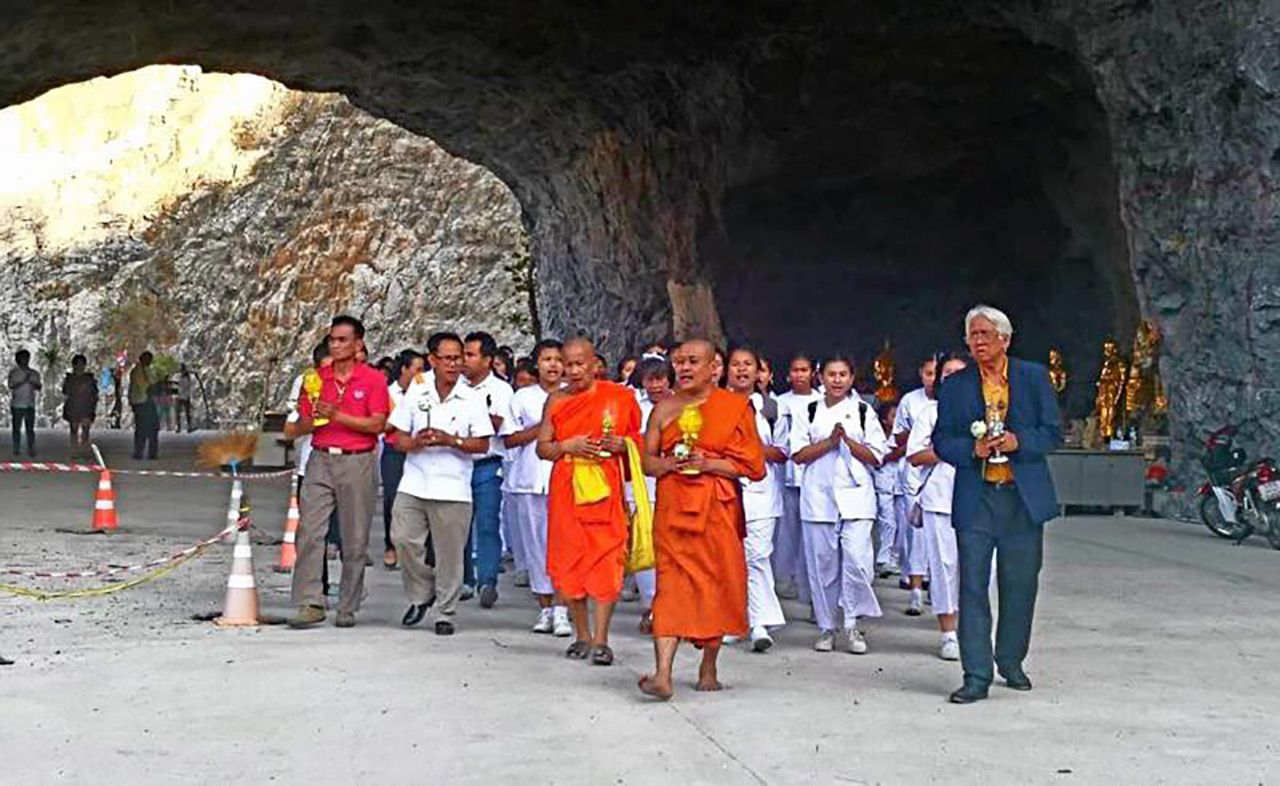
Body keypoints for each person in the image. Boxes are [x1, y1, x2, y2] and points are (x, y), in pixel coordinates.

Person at [934, 304, 1062, 704]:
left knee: (1020, 583)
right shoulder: (956, 386)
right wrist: (972, 448)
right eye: (972, 335)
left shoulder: (1033, 377)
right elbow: (942, 440)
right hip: (979, 497)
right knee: (972, 585)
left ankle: (1010, 660)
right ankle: (976, 674)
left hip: (1022, 499)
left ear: (1005, 339)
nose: (977, 342)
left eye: (984, 335)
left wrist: (1018, 441)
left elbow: (1053, 433)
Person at [638, 340, 765, 699]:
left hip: (715, 509)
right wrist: (666, 464)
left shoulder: (734, 407)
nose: (685, 368)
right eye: (679, 361)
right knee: (670, 587)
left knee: (715, 584)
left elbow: (753, 466)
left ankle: (708, 666)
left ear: (714, 367)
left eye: (693, 361)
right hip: (674, 510)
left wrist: (709, 463)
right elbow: (647, 461)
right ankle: (663, 674)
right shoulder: (663, 409)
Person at [536, 336, 642, 665]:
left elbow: (639, 441)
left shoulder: (619, 397)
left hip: (605, 488)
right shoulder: (555, 401)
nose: (573, 370)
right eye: (568, 364)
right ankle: (581, 634)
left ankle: (601, 639)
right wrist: (568, 446)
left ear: (595, 364)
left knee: (607, 559)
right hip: (568, 488)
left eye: (580, 363)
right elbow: (543, 447)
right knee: (571, 561)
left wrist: (620, 444)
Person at [287, 315, 391, 629]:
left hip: (357, 460)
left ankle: (348, 604)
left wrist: (338, 415)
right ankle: (310, 601)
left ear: (358, 344)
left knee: (354, 536)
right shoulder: (315, 379)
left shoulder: (373, 380)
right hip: (320, 457)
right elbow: (296, 428)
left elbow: (377, 424)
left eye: (343, 340)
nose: (336, 344)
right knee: (309, 531)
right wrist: (312, 419)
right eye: (332, 339)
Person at [388, 332, 494, 635]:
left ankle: (445, 611)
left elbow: (483, 444)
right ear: (432, 360)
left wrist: (453, 440)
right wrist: (414, 443)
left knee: (450, 553)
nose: (453, 364)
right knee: (404, 539)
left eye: (458, 358)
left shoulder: (472, 396)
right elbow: (396, 435)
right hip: (415, 481)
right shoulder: (418, 390)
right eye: (447, 358)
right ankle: (422, 593)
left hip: (453, 486)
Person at [791, 355, 888, 654]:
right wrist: (829, 443)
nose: (837, 380)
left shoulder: (862, 411)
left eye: (843, 374)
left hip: (857, 498)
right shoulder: (807, 410)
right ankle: (826, 626)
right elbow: (797, 454)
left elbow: (877, 456)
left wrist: (847, 442)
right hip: (818, 498)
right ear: (820, 377)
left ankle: (852, 623)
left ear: (851, 377)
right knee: (823, 565)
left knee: (857, 562)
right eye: (831, 374)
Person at [504, 339, 573, 636]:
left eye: (559, 359)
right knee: (535, 548)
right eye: (547, 359)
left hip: (567, 479)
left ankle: (562, 610)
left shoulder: (576, 396)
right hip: (529, 480)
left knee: (565, 547)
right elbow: (509, 438)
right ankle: (545, 608)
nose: (553, 365)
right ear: (537, 363)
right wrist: (543, 427)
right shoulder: (522, 397)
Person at [725, 347, 789, 652]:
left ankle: (760, 623)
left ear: (758, 371)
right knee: (731, 559)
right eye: (735, 364)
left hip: (762, 494)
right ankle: (736, 620)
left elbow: (783, 452)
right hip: (724, 491)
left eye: (748, 364)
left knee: (758, 556)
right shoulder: (715, 404)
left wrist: (749, 449)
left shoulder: (771, 408)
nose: (741, 370)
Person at [906, 353, 968, 661]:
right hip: (939, 499)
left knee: (977, 568)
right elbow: (915, 456)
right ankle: (948, 632)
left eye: (961, 372)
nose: (954, 378)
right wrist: (952, 449)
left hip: (978, 499)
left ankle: (972, 628)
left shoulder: (984, 409)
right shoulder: (931, 413)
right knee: (944, 568)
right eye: (948, 373)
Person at [461, 331, 515, 609]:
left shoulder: (501, 390)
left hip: (486, 464)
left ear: (488, 360)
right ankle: (464, 579)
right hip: (456, 464)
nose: (464, 361)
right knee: (457, 525)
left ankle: (487, 580)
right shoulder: (453, 386)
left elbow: (495, 426)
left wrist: (469, 419)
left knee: (486, 523)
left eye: (470, 355)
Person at [628, 356, 674, 632]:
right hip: (641, 485)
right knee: (645, 546)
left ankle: (669, 607)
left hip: (672, 484)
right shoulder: (635, 408)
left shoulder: (680, 406)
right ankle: (650, 606)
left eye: (660, 379)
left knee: (671, 550)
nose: (656, 385)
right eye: (650, 380)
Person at [888, 356, 939, 585]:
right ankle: (912, 574)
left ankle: (935, 578)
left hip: (944, 470)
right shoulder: (910, 400)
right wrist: (921, 433)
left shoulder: (956, 402)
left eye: (937, 374)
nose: (933, 379)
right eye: (929, 373)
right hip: (914, 469)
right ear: (921, 373)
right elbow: (898, 436)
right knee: (914, 525)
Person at [774, 353, 820, 603]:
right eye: (795, 370)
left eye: (804, 370)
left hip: (814, 475)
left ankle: (812, 587)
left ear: (813, 373)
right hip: (787, 474)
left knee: (812, 535)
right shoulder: (780, 403)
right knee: (787, 531)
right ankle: (785, 578)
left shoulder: (822, 401)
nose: (799, 375)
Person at [381, 349, 425, 570]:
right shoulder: (388, 393)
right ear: (405, 369)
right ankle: (391, 545)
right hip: (394, 450)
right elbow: (386, 424)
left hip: (419, 449)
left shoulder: (426, 392)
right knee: (392, 497)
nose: (421, 375)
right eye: (417, 370)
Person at [61, 354, 98, 455]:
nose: (80, 366)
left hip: (86, 407)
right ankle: (74, 450)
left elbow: (95, 393)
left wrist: (93, 407)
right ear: (74, 365)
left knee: (85, 430)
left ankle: (84, 450)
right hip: (73, 407)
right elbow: (65, 392)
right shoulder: (70, 378)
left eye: (82, 364)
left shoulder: (89, 379)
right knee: (74, 430)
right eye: (78, 364)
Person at [8, 349, 42, 457]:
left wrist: (32, 382)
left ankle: (31, 449)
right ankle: (16, 448)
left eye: (27, 358)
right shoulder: (14, 373)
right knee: (16, 428)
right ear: (18, 360)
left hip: (29, 404)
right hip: (17, 404)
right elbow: (11, 386)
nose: (25, 360)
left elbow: (39, 387)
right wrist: (23, 381)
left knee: (30, 429)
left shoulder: (34, 373)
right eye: (22, 358)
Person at [128, 351, 159, 460]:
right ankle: (140, 452)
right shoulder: (138, 371)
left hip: (145, 401)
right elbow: (145, 386)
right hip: (142, 402)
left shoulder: (146, 370)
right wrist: (156, 387)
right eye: (148, 359)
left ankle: (150, 452)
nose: (149, 362)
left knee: (151, 428)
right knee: (143, 428)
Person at [176, 364, 195, 432]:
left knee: (187, 412)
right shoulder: (180, 377)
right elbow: (180, 386)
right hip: (180, 396)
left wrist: (179, 387)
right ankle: (178, 427)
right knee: (178, 413)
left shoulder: (187, 378)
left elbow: (187, 386)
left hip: (185, 396)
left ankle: (189, 427)